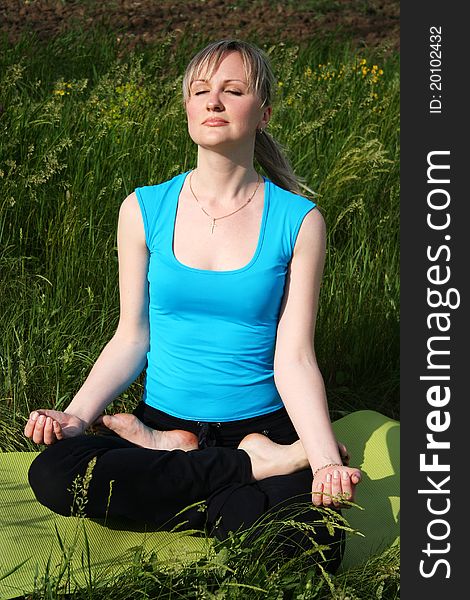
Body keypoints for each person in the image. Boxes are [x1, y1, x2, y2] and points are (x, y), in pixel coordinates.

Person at [25, 39, 361, 572]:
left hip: (263, 423)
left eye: (233, 90)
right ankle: (241, 469)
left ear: (263, 112)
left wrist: (319, 459)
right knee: (53, 472)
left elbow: (294, 357)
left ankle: (185, 463)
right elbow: (131, 336)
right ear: (186, 107)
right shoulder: (143, 208)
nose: (214, 102)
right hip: (166, 418)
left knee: (300, 550)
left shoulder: (299, 220)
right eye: (201, 91)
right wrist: (75, 415)